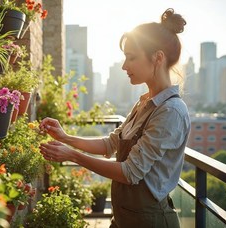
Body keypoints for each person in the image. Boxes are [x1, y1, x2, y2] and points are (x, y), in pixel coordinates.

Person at [39, 8, 190, 228]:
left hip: (150, 222)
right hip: (123, 218)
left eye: (131, 57)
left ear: (157, 57)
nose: (124, 65)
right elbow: (111, 144)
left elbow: (129, 173)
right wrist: (65, 137)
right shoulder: (145, 102)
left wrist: (73, 155)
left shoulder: (170, 112)